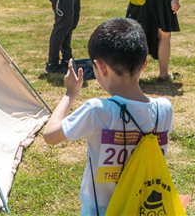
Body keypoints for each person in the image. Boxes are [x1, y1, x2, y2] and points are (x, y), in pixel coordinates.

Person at [43, 18, 174, 215]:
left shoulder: (97, 110)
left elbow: (50, 135)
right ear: (145, 63)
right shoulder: (164, 109)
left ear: (101, 68)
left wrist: (70, 94)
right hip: (145, 209)